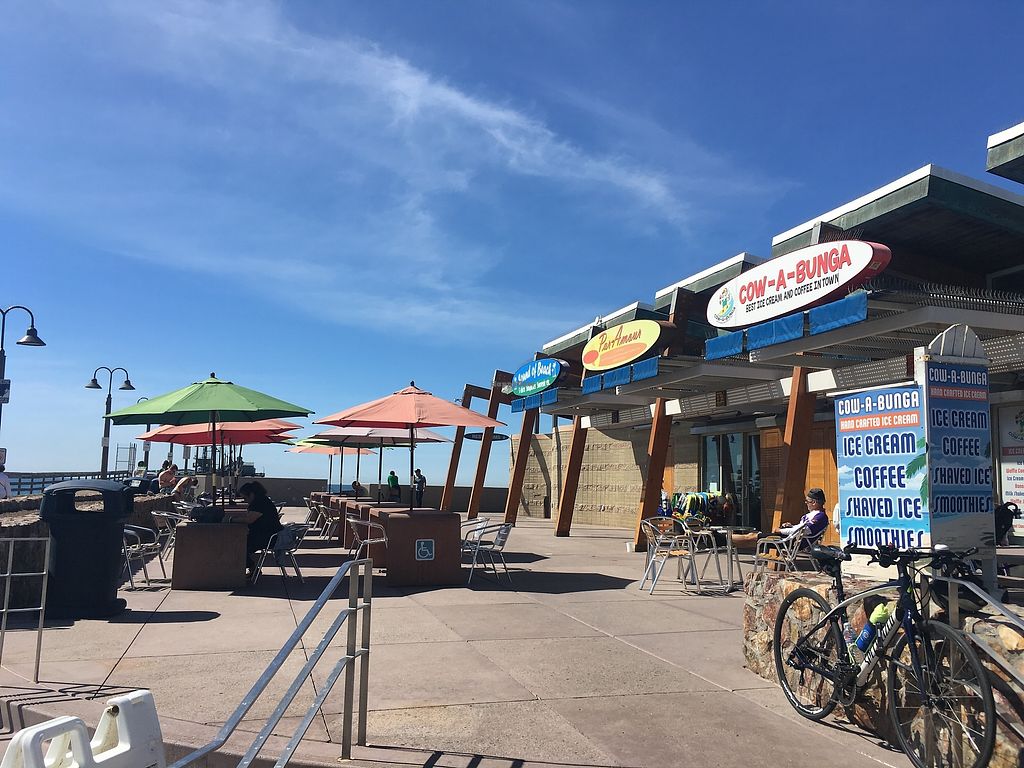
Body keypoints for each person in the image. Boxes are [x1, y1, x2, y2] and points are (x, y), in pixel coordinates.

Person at [236, 481, 283, 579]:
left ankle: (249, 569)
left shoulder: (259, 503)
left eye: (245, 498)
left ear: (251, 494)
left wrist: (231, 520)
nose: (245, 501)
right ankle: (252, 568)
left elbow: (249, 519)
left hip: (269, 538)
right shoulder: (262, 500)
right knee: (238, 543)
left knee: (238, 546)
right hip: (268, 535)